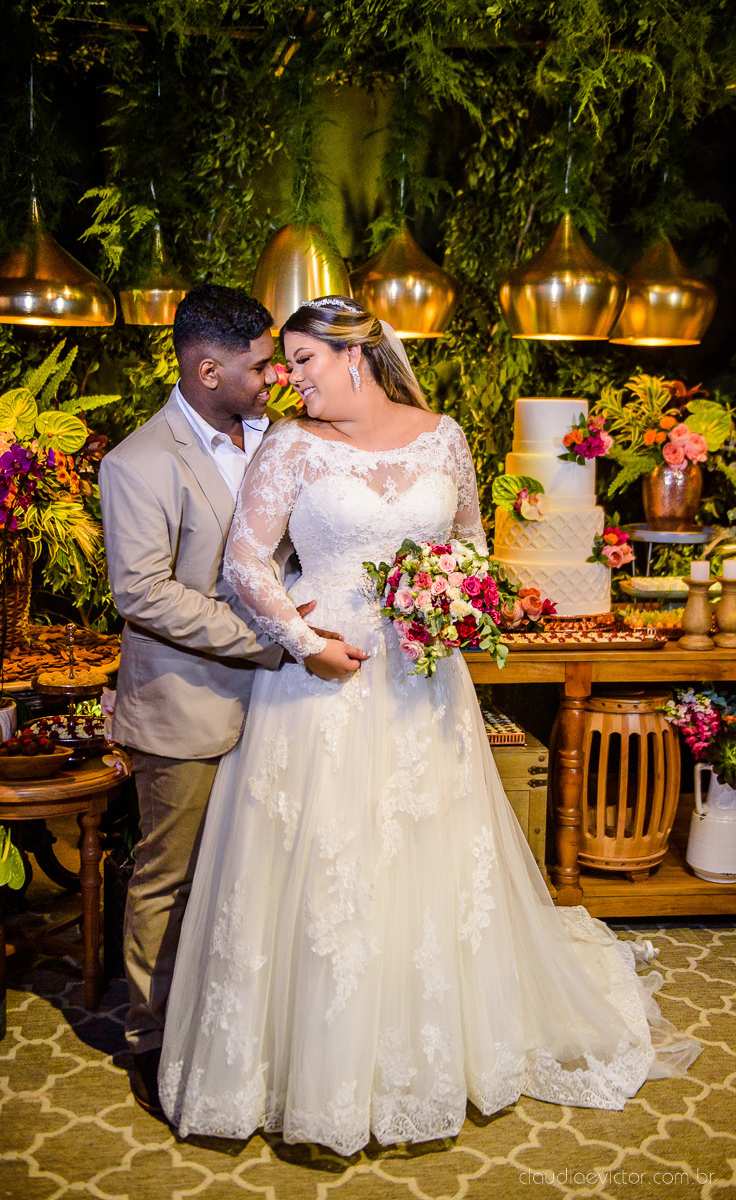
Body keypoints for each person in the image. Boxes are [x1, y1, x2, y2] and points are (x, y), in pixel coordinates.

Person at [158, 297, 699, 1155]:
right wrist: (303, 643)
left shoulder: (442, 436)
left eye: (301, 360)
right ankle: (311, 1068)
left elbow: (470, 543)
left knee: (427, 851)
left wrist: (454, 600)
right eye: (283, 363)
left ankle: (432, 1048)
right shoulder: (289, 447)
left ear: (355, 357)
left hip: (422, 675)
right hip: (323, 681)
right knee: (328, 861)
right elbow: (243, 562)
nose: (287, 380)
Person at [98, 284, 365, 1116]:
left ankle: (242, 1028)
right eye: (259, 367)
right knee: (171, 880)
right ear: (208, 369)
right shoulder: (136, 463)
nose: (275, 380)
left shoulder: (283, 438)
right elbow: (142, 594)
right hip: (191, 706)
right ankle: (151, 1035)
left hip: (288, 705)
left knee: (257, 876)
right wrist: (278, 635)